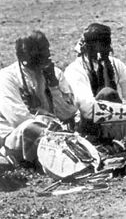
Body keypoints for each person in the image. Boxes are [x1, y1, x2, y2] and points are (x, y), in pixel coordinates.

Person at [64, 23, 126, 148]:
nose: (100, 51)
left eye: (105, 45)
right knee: (107, 93)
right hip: (89, 127)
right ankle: (118, 142)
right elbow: (89, 110)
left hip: (119, 120)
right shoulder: (75, 70)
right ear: (87, 47)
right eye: (97, 46)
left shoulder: (114, 64)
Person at [0, 31, 76, 167]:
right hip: (17, 137)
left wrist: (53, 86)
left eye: (46, 50)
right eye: (38, 53)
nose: (46, 56)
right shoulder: (7, 78)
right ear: (23, 56)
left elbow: (68, 113)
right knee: (31, 127)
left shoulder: (55, 73)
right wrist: (47, 120)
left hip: (54, 132)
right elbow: (18, 119)